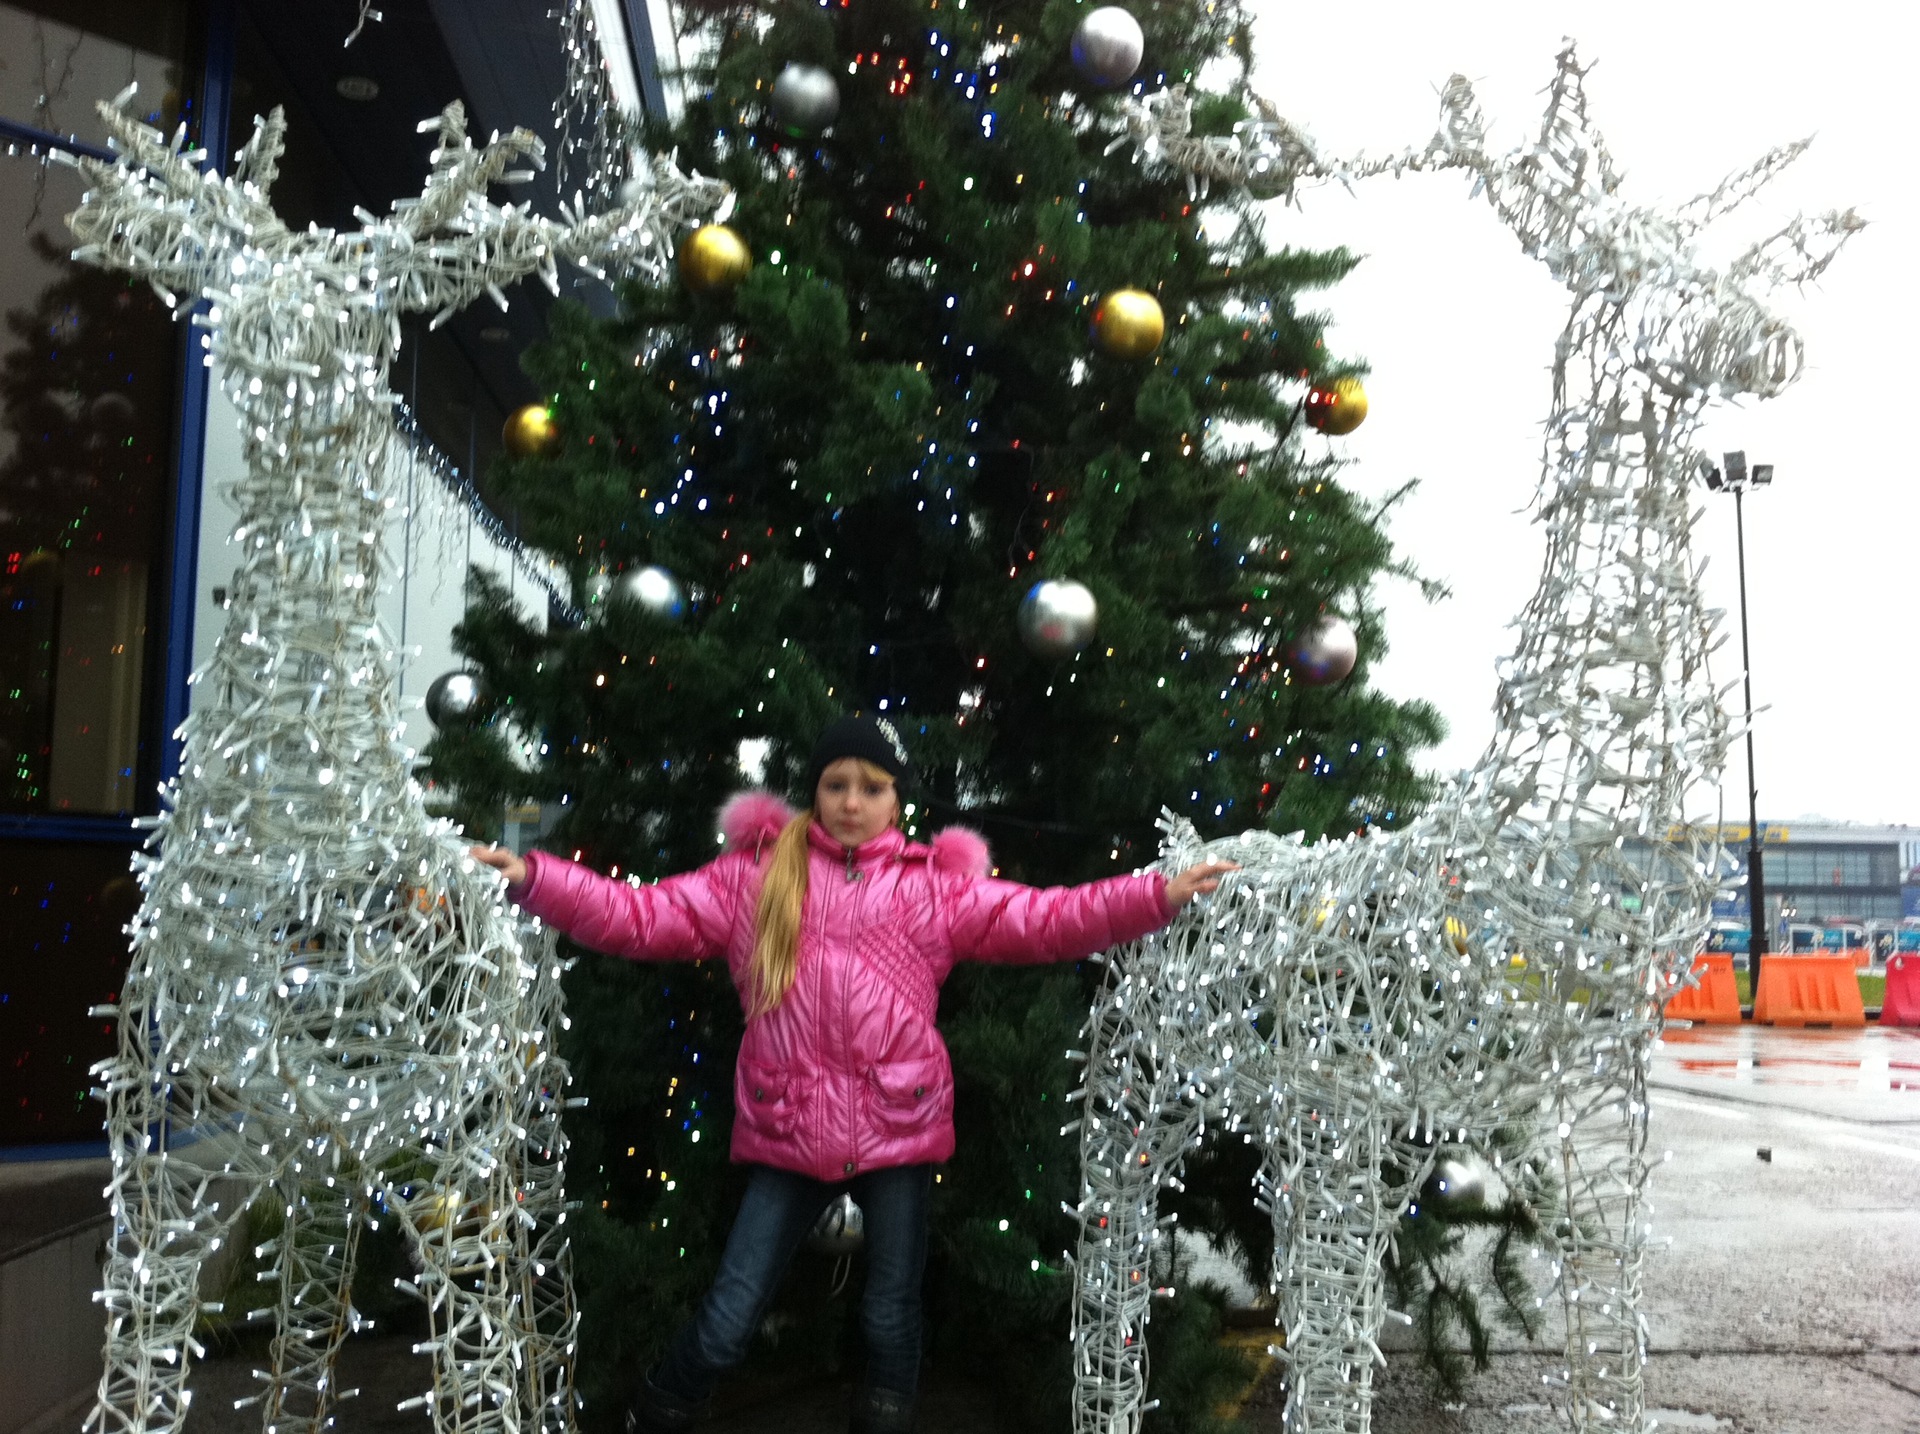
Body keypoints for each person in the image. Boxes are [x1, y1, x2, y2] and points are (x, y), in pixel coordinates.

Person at [470, 714, 1235, 1434]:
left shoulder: (931, 888)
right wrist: (534, 878)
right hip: (788, 1128)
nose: (851, 802)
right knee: (730, 1312)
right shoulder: (754, 880)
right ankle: (660, 1409)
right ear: (815, 791)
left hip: (898, 1127)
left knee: (890, 1313)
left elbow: (1044, 920)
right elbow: (639, 916)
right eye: (836, 784)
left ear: (897, 799)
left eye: (872, 787)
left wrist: (1154, 896)